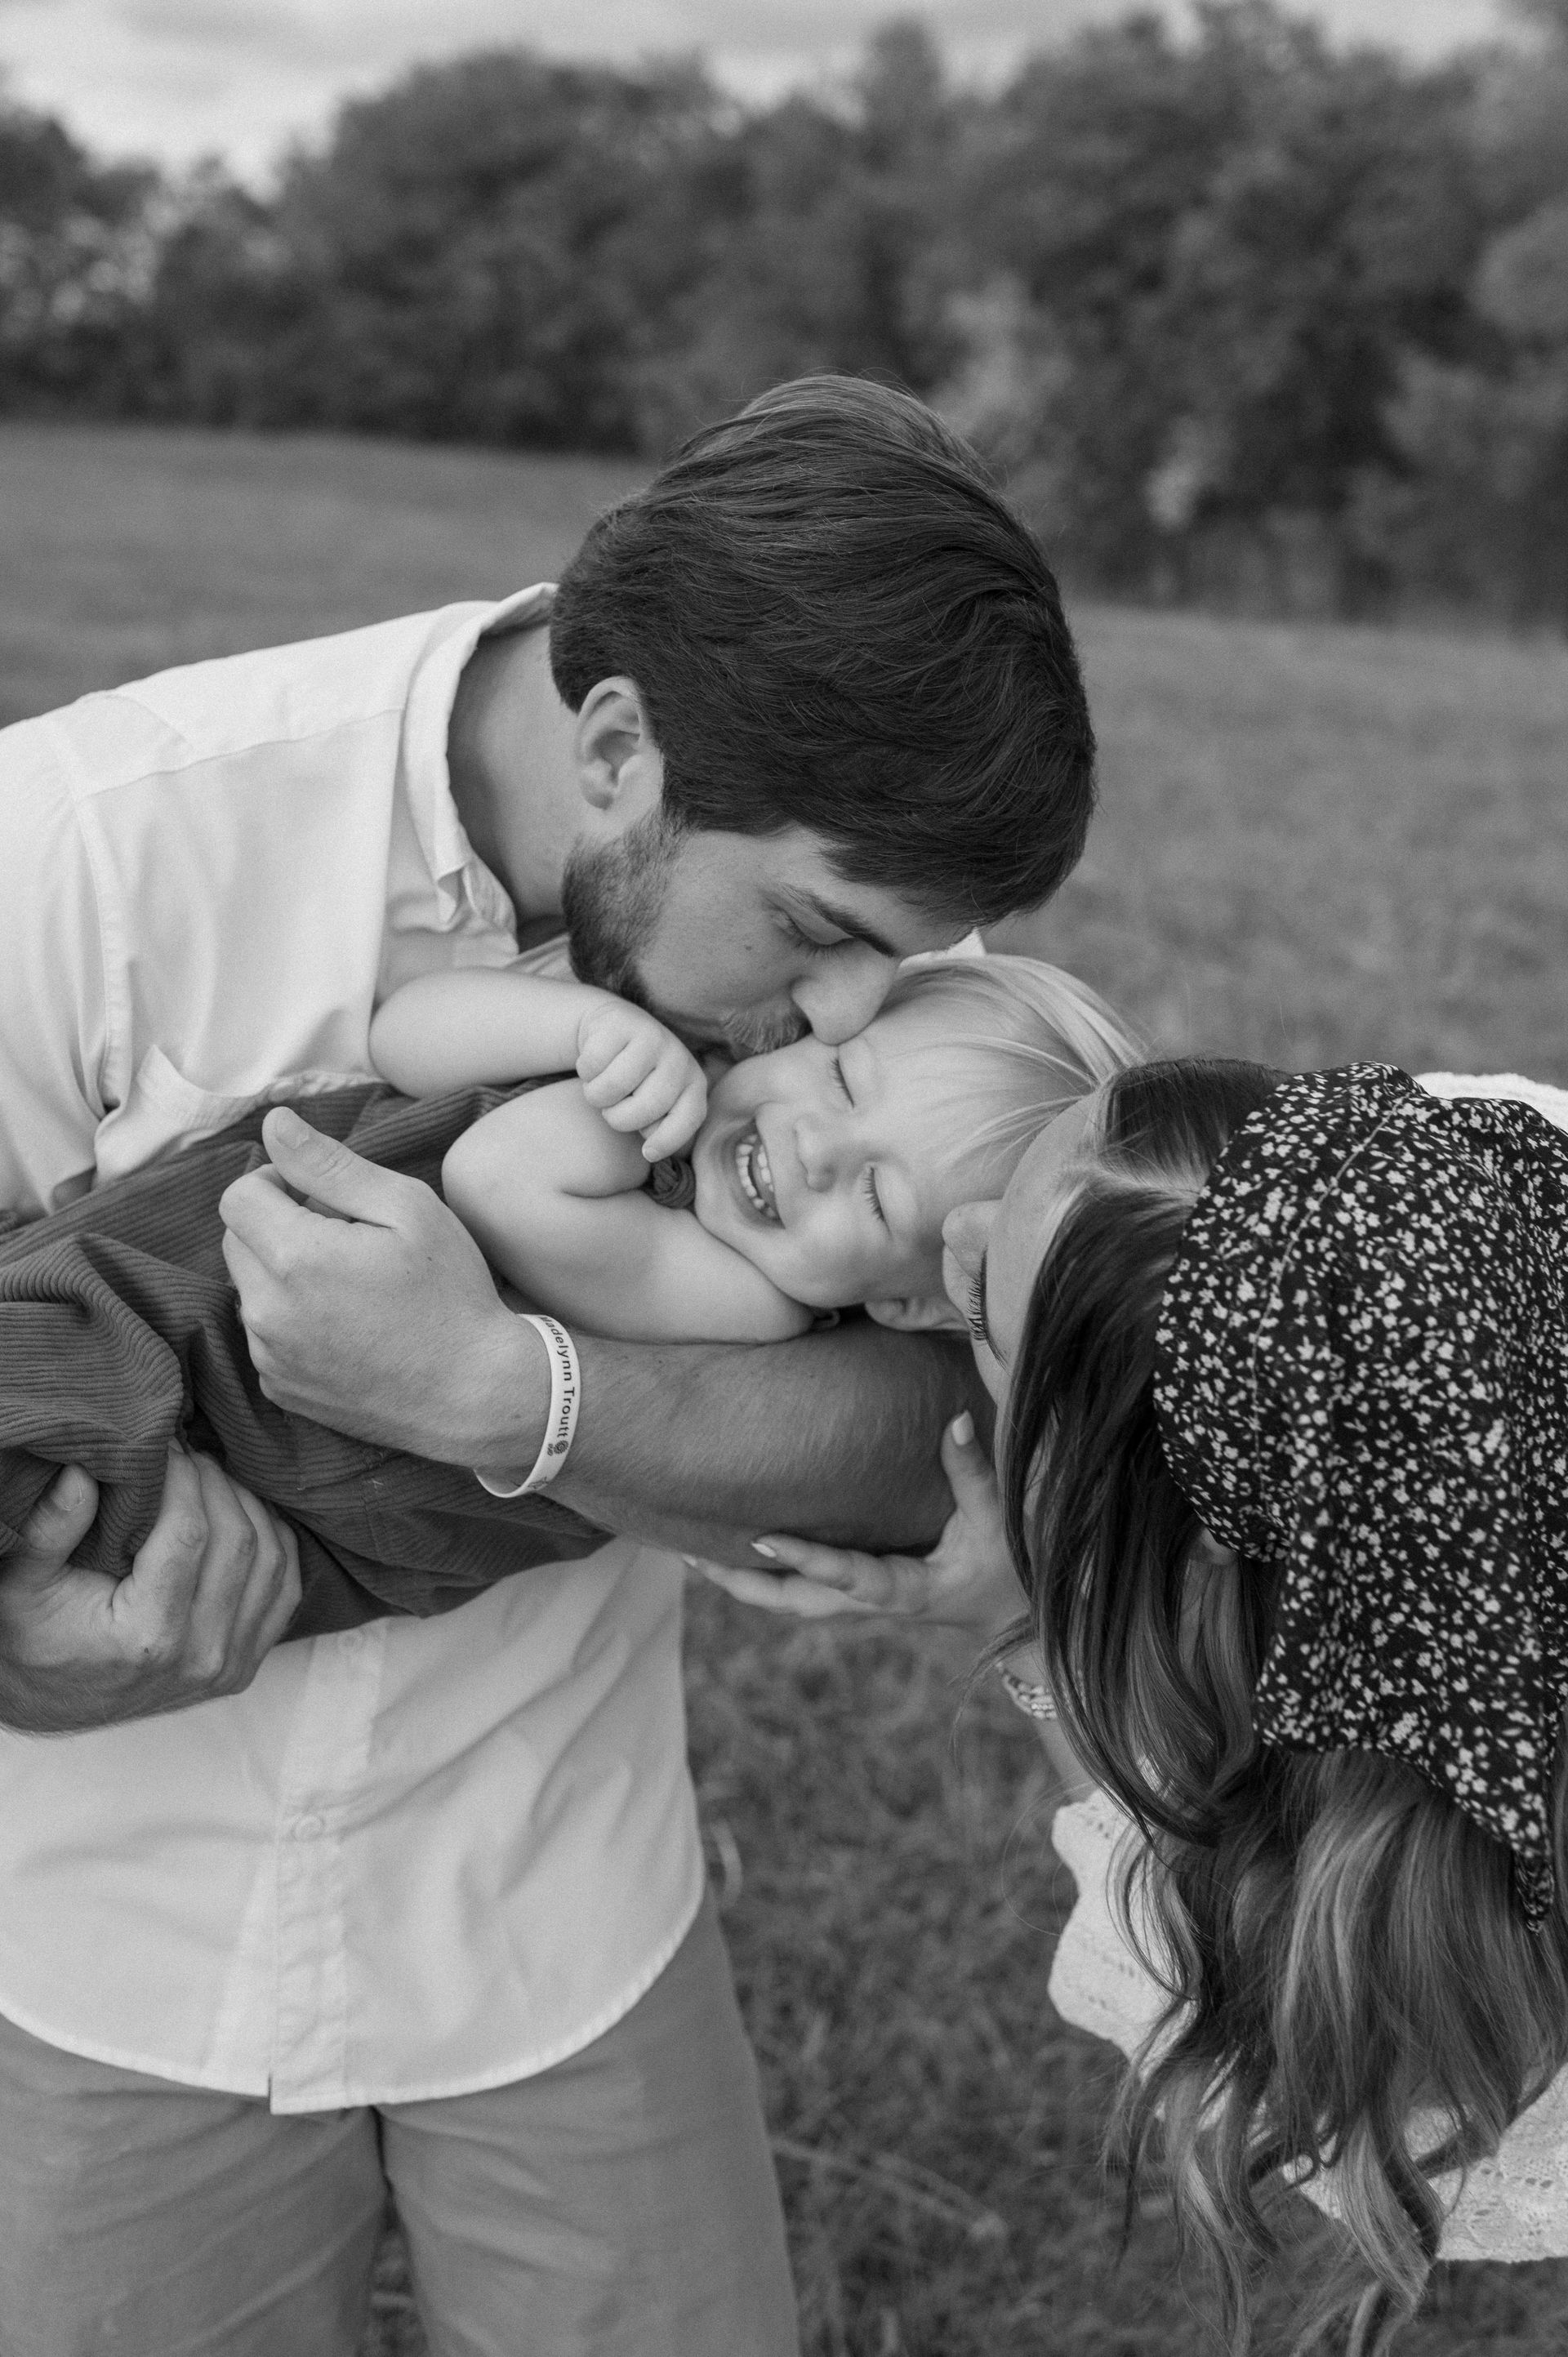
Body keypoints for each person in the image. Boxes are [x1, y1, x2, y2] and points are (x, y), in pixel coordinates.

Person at [0, 375, 1096, 2356]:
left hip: (558, 1906)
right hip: (92, 1936)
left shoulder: (860, 971)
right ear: (617, 750)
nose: (853, 1011)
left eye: (900, 966)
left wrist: (511, 1398)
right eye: (820, 934)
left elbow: (963, 1412)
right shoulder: (90, 848)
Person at [977, 1056, 1568, 2355]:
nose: (957, 1237)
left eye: (983, 1317)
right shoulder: (1467, 1213)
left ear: (1179, 1554)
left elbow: (1219, 2005)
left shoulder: (1381, 1919)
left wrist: (1019, 1624)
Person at [0, 957, 1131, 1629]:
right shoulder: (673, 1081)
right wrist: (581, 1026)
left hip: (204, 1385)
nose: (815, 1147)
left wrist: (618, 1068)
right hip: (170, 1272)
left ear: (900, 1307)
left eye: (878, 1200)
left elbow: (501, 1185)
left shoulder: (752, 1303)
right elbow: (404, 1028)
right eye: (842, 1079)